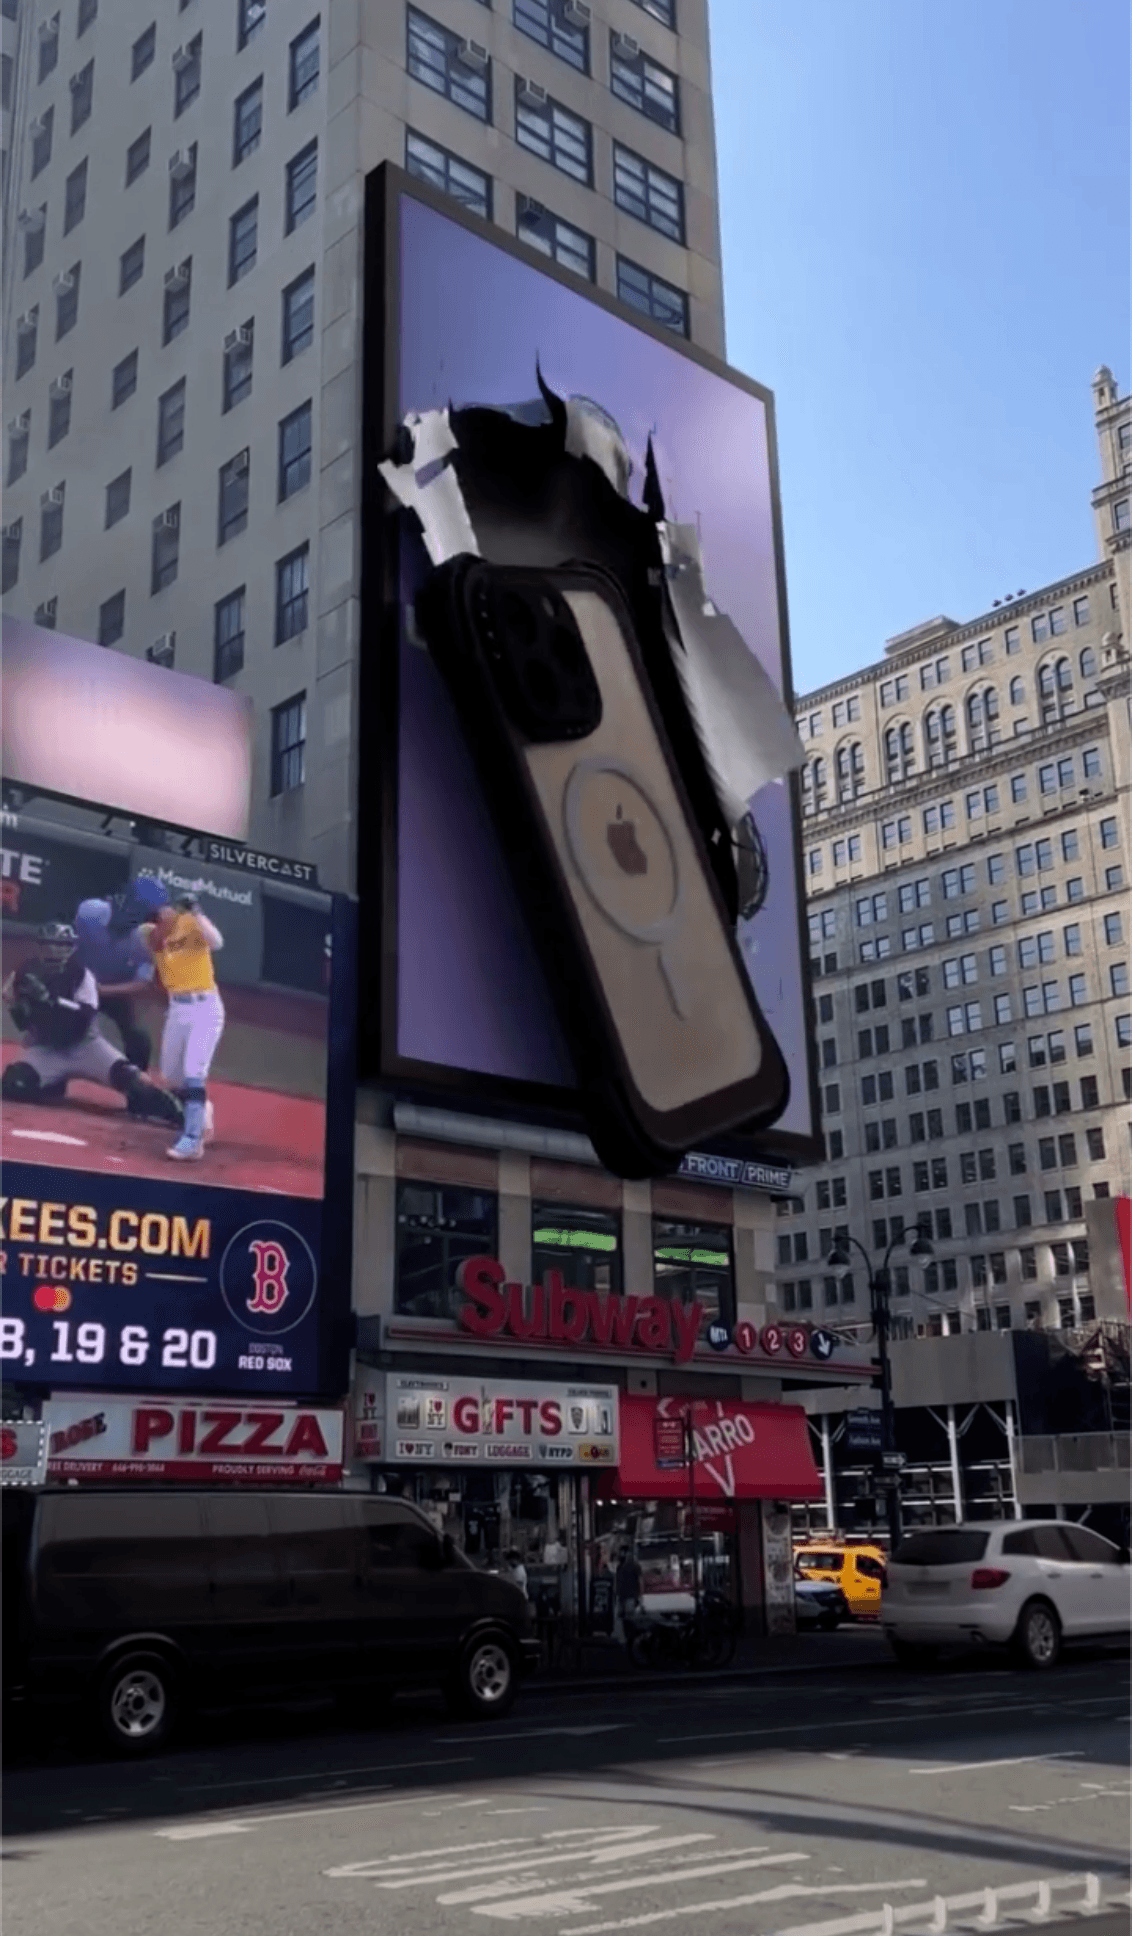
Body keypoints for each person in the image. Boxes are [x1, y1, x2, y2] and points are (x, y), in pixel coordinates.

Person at [1, 922, 182, 1127]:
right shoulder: (24, 973)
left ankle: (182, 1113)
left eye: (62, 945)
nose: (56, 950)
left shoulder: (80, 975)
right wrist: (24, 1013)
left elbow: (82, 1018)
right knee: (15, 1084)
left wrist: (49, 999)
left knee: (133, 1082)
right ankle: (53, 1084)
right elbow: (19, 1017)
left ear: (72, 948)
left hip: (85, 1046)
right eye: (50, 944)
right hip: (47, 1047)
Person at [101, 890, 224, 1162]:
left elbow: (217, 942)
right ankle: (202, 1109)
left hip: (205, 1006)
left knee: (194, 1072)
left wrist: (197, 913)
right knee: (171, 1076)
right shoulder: (148, 933)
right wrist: (167, 920)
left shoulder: (190, 922)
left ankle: (192, 1139)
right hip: (178, 1009)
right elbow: (152, 941)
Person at [73, 877, 169, 1069]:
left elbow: (143, 983)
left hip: (114, 991)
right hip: (77, 983)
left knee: (138, 1036)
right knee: (60, 1020)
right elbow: (67, 947)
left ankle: (137, 1080)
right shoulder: (90, 911)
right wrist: (77, 981)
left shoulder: (146, 939)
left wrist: (102, 990)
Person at [615, 1546, 642, 1621]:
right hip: (623, 1595)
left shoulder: (634, 1566)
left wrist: (639, 1595)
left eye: (622, 1553)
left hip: (630, 1595)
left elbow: (639, 1581)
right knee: (623, 1616)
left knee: (629, 1615)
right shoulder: (620, 1566)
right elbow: (618, 1581)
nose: (621, 1554)